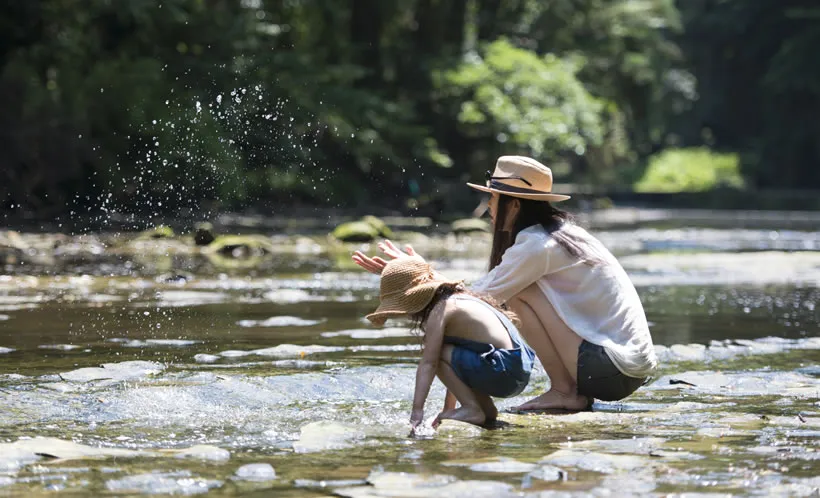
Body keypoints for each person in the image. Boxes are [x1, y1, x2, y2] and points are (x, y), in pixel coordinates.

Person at [353, 155, 657, 412]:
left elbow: (477, 297)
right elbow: (479, 290)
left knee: (520, 292)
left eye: (493, 198)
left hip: (611, 368)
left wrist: (418, 276)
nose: (488, 208)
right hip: (625, 367)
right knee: (513, 291)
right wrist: (420, 273)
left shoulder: (538, 245)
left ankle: (565, 392)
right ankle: (566, 390)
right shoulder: (562, 233)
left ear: (514, 205)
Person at [365, 257, 535, 430]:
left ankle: (471, 408)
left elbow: (429, 363)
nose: (406, 313)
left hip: (503, 371)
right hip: (516, 370)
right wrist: (449, 409)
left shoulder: (442, 309)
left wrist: (417, 411)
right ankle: (484, 410)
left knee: (438, 352)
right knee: (452, 353)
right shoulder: (460, 298)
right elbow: (456, 367)